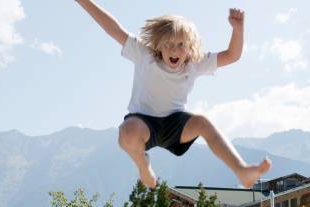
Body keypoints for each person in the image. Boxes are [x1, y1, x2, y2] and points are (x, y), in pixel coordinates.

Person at [75, 0, 271, 188]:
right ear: (159, 45)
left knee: (203, 122)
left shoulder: (194, 63)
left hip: (175, 123)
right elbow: (113, 28)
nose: (174, 50)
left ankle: (242, 170)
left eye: (180, 45)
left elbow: (232, 55)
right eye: (168, 44)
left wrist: (238, 29)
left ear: (190, 48)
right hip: (144, 121)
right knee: (127, 132)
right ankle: (144, 168)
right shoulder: (144, 55)